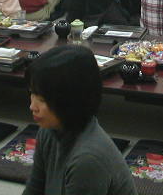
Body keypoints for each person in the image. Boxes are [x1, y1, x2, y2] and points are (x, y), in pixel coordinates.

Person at [24, 45, 137, 195]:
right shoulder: (48, 131)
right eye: (32, 93)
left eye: (42, 100)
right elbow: (34, 189)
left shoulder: (87, 160)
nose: (32, 106)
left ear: (70, 101)